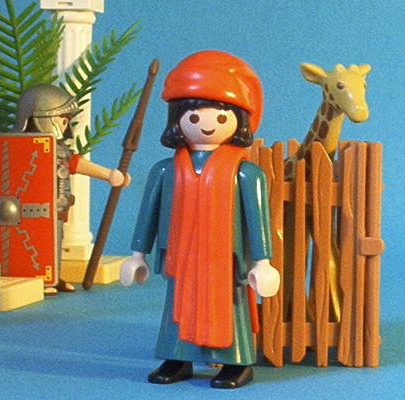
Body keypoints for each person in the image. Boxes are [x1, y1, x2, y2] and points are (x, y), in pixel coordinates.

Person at [120, 50, 280, 389]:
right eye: (193, 116)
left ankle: (236, 363)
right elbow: (148, 213)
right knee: (177, 307)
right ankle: (177, 358)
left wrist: (263, 262)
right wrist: (137, 255)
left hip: (226, 261)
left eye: (221, 117)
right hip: (182, 257)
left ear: (240, 120)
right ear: (177, 119)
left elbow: (257, 219)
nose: (207, 124)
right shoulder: (165, 170)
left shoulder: (246, 174)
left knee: (230, 306)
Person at [14, 84, 128, 295]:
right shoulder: (22, 149)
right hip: (28, 212)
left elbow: (75, 164)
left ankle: (53, 278)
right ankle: (41, 278)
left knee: (55, 243)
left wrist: (108, 174)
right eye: (62, 119)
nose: (65, 124)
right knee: (34, 244)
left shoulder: (58, 149)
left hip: (56, 207)